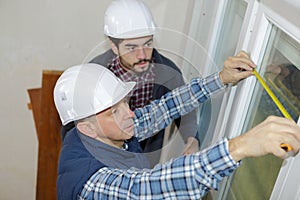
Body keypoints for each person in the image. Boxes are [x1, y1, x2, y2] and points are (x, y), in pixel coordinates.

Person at [53, 51, 300, 199]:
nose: (130, 114)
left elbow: (164, 108)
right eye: (114, 111)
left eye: (125, 103)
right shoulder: (89, 182)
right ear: (87, 128)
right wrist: (239, 147)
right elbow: (148, 188)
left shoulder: (108, 130)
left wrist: (221, 78)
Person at [89, 0, 201, 162]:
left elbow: (184, 109)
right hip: (104, 160)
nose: (142, 55)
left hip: (145, 160)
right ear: (114, 46)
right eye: (132, 47)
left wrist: (192, 139)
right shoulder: (94, 73)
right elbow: (74, 128)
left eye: (148, 44)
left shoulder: (169, 73)